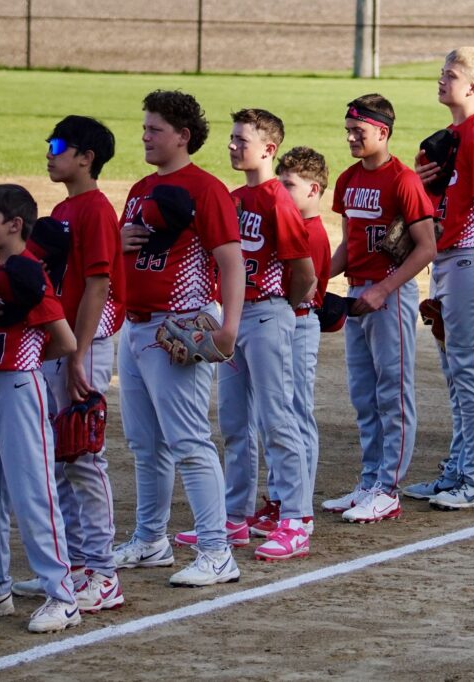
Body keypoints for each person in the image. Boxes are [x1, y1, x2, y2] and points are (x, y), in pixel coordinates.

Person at [112, 90, 245, 586]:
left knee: (189, 442)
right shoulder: (141, 189)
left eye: (155, 129)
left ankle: (217, 551)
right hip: (135, 328)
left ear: (183, 136)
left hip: (179, 327)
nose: (145, 137)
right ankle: (151, 541)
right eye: (144, 128)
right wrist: (115, 244)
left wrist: (229, 328)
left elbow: (231, 262)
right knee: (145, 444)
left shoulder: (205, 189)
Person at [185, 108, 316, 562]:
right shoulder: (235, 197)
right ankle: (235, 516)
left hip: (266, 315)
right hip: (235, 317)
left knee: (277, 417)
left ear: (268, 149)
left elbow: (304, 272)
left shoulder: (277, 200)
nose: (232, 145)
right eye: (233, 137)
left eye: (242, 140)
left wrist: (284, 309)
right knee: (235, 422)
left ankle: (296, 519)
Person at [10, 116, 126, 615]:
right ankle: (73, 566)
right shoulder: (63, 208)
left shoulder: (95, 210)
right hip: (63, 345)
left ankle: (103, 573)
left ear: (86, 157)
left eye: (58, 145)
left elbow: (98, 284)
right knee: (60, 458)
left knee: (83, 456)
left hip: (86, 343)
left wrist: (77, 353)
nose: (49, 153)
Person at [0, 184, 83, 634]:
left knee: (33, 492)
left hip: (18, 384)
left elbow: (65, 341)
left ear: (15, 224)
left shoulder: (29, 274)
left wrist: (28, 356)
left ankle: (63, 596)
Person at [404, 47, 474, 510]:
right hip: (450, 260)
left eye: (450, 74)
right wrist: (422, 183)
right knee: (455, 372)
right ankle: (458, 470)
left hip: (471, 258)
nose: (441, 79)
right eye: (442, 72)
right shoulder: (451, 136)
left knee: (469, 369)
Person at [322, 94, 436, 522]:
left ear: (382, 131)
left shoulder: (403, 180)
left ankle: (388, 489)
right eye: (349, 130)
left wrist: (384, 289)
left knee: (393, 392)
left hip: (389, 297)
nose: (351, 137)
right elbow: (348, 246)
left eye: (359, 131)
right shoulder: (348, 179)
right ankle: (369, 481)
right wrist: (316, 280)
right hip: (356, 296)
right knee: (364, 395)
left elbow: (426, 247)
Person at [274, 145, 331, 521]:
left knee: (296, 412)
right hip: (288, 320)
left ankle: (301, 501)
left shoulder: (312, 233)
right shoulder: (293, 226)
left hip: (300, 321)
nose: (281, 191)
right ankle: (282, 495)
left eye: (289, 185)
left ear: (313, 190)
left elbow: (305, 286)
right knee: (279, 411)